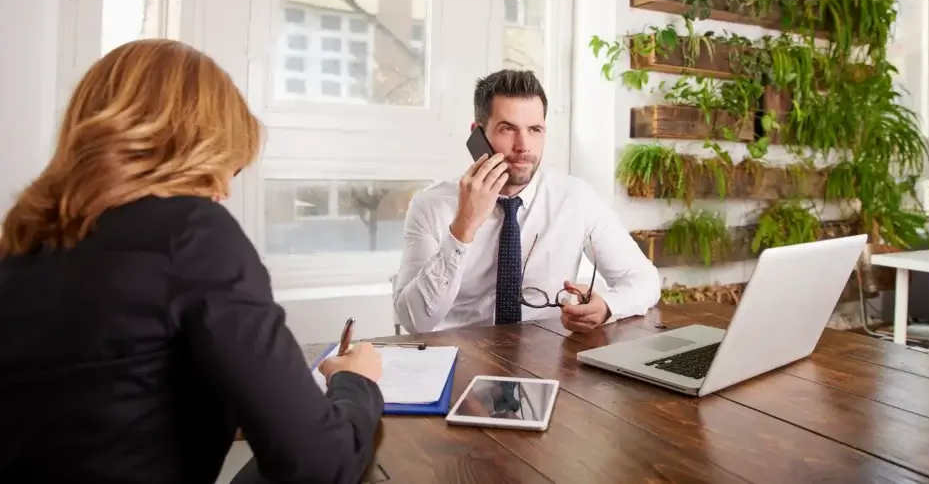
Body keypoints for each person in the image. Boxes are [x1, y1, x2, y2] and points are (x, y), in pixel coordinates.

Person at [0, 39, 383, 484]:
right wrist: (356, 382)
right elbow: (321, 466)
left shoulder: (25, 242)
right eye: (224, 166)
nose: (224, 191)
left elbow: (106, 406)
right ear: (190, 146)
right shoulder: (191, 231)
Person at [394, 69, 660, 334]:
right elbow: (415, 321)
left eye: (534, 130)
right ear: (478, 134)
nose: (523, 146)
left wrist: (607, 307)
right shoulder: (430, 206)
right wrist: (464, 226)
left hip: (544, 358)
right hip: (460, 355)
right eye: (507, 129)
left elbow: (644, 281)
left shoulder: (575, 198)